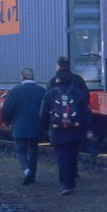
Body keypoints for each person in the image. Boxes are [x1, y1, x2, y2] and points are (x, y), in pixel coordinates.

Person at [41, 63, 95, 195]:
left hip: (57, 131)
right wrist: (89, 130)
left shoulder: (50, 94)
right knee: (72, 156)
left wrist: (45, 128)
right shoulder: (78, 94)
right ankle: (71, 181)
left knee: (61, 158)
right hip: (75, 131)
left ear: (57, 79)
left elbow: (43, 114)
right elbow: (85, 114)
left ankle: (65, 184)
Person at [0, 68, 45, 184]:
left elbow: (7, 108)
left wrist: (5, 120)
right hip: (36, 126)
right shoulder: (41, 90)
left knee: (21, 150)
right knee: (33, 150)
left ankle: (26, 170)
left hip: (20, 126)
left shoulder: (16, 90)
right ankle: (32, 175)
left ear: (22, 77)